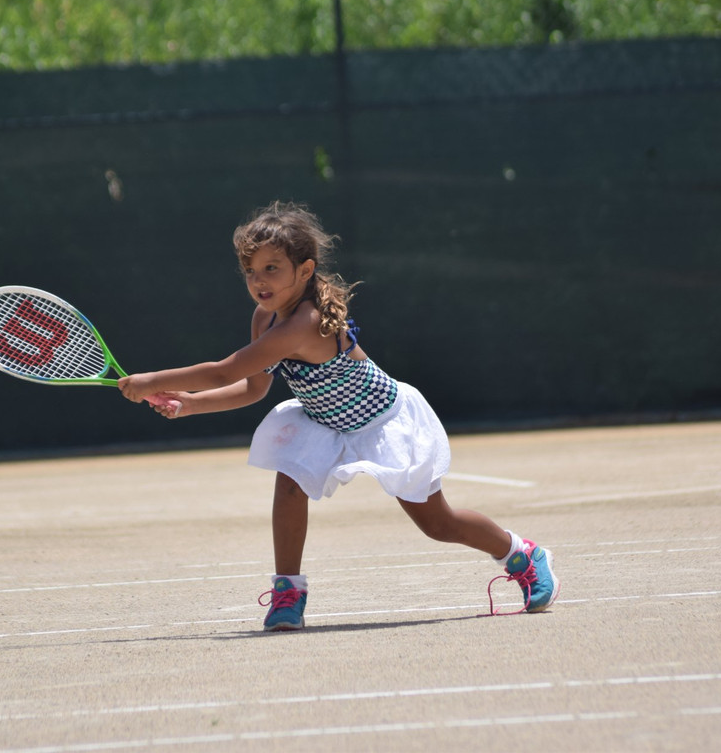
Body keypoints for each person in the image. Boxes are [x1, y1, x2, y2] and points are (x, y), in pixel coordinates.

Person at [117, 201, 559, 630]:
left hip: (382, 422)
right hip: (323, 423)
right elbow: (252, 387)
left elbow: (225, 369)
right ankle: (288, 594)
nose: (259, 281)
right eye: (251, 271)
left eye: (272, 268)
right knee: (289, 485)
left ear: (305, 270)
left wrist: (150, 380)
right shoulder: (265, 318)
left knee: (437, 523)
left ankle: (522, 555)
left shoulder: (304, 322)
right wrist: (191, 403)